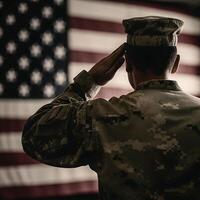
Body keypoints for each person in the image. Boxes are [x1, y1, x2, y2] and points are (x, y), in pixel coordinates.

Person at [22, 16, 200, 200]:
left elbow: (34, 135)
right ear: (176, 63)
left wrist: (87, 83)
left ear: (128, 63)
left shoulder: (101, 116)